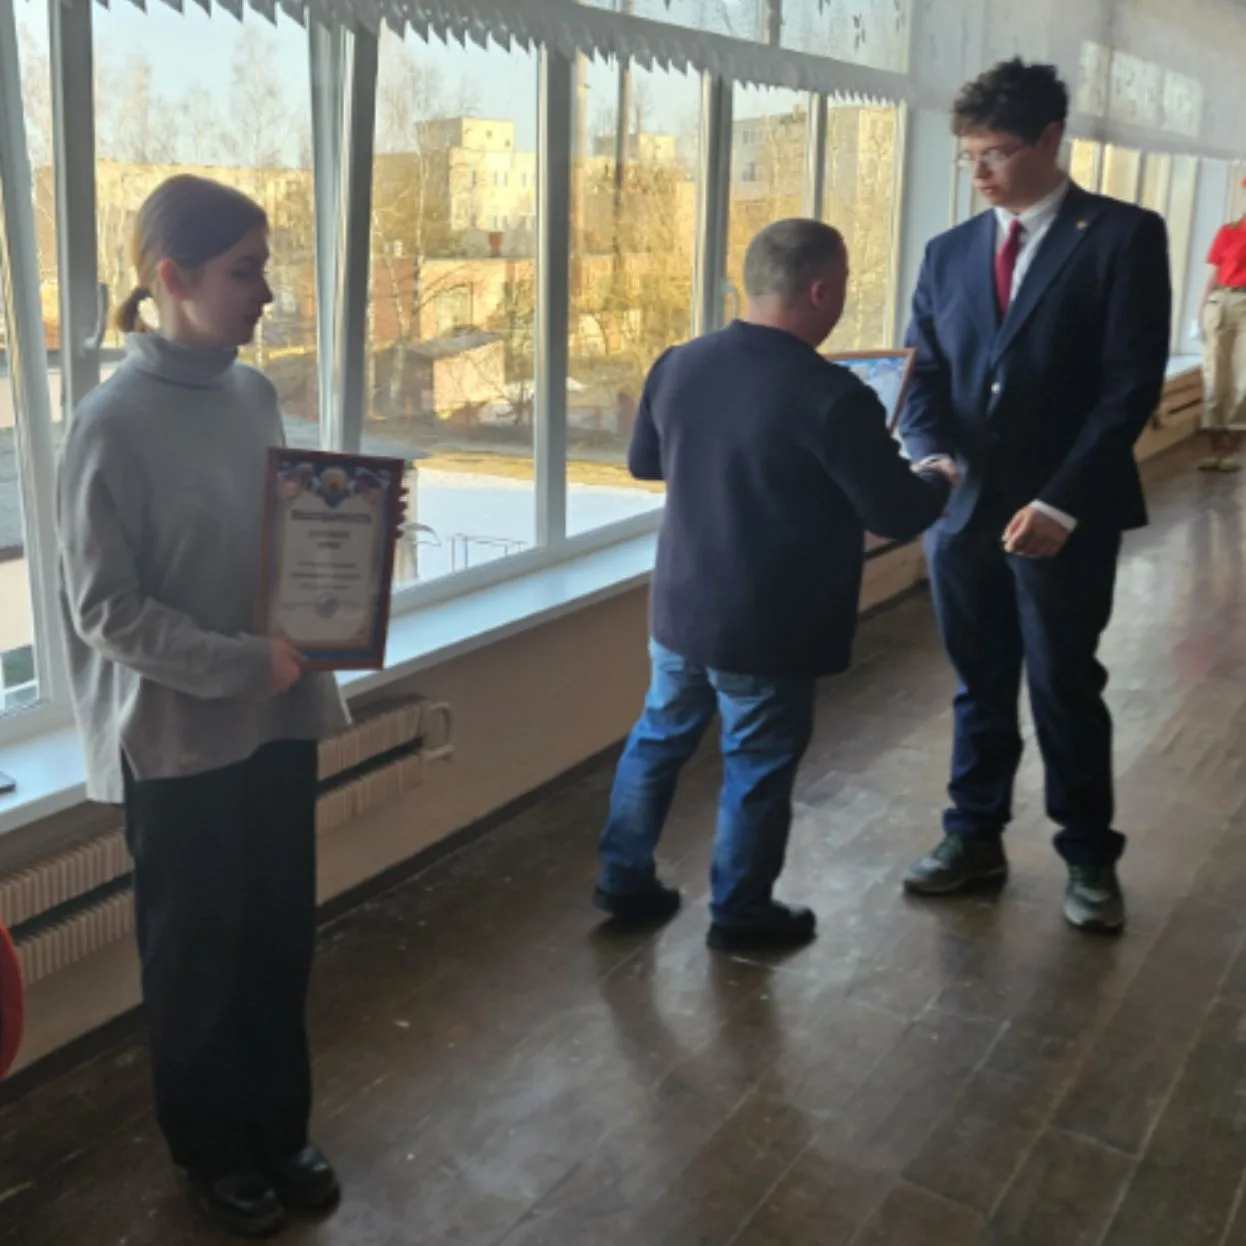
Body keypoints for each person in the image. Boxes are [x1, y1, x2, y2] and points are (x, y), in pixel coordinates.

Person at [58, 175, 350, 1238]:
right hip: (179, 743)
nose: (266, 292)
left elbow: (279, 536)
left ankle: (279, 1128)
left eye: (265, 268)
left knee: (277, 940)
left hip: (277, 720)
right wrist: (239, 663)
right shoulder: (108, 424)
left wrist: (350, 547)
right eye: (245, 271)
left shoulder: (254, 394)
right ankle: (212, 1152)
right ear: (172, 278)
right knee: (197, 963)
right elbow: (104, 611)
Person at [593, 219, 956, 952]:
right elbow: (895, 510)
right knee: (757, 764)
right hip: (770, 623)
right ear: (821, 291)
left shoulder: (679, 363)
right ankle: (741, 911)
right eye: (843, 286)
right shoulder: (834, 395)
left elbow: (646, 463)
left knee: (659, 738)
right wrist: (939, 476)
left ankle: (622, 879)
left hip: (682, 605)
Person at [898, 59, 1171, 932]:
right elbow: (922, 377)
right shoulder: (948, 253)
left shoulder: (1122, 236)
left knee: (1063, 683)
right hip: (965, 511)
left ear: (1051, 139)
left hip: (1064, 514)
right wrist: (932, 458)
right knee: (979, 685)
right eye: (968, 155)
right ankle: (973, 836)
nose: (978, 172)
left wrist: (1060, 503)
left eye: (996, 153)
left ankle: (1088, 854)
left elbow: (1127, 388)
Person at [1199, 189, 1246, 471]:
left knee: (1244, 380)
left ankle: (1233, 446)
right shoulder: (1228, 231)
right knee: (1215, 375)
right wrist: (1200, 310)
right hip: (1221, 302)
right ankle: (1214, 445)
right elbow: (1213, 276)